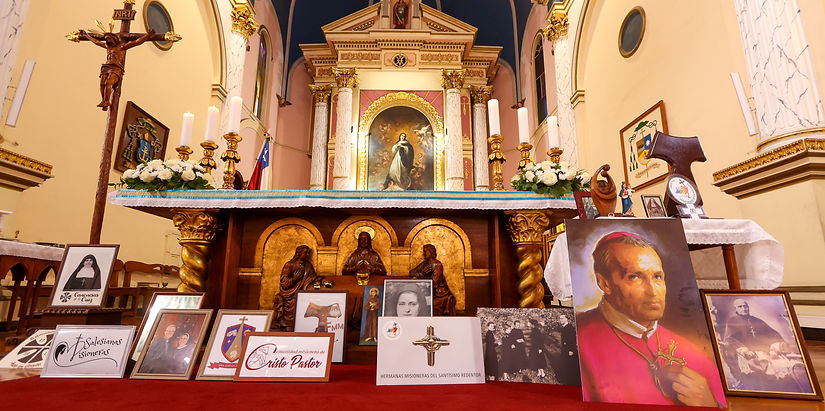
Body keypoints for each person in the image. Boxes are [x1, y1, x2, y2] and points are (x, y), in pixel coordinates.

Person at [576, 232, 726, 407]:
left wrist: (709, 404)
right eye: (635, 276)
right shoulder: (579, 339)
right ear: (604, 284)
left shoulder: (690, 348)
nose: (652, 291)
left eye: (657, 277)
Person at [273, 245, 320, 330]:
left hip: (303, 294)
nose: (307, 255)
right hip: (290, 296)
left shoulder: (308, 266)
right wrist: (294, 278)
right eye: (305, 253)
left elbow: (312, 278)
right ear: (298, 253)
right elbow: (284, 284)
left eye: (308, 253)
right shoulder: (289, 265)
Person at [410, 244, 455, 315]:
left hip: (439, 294)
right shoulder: (425, 264)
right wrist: (422, 273)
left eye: (425, 251)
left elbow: (434, 283)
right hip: (428, 292)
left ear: (431, 252)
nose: (424, 254)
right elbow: (412, 272)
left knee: (431, 306)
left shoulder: (437, 265)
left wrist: (421, 277)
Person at [554, 312, 580, 385]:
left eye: (562, 318)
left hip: (569, 350)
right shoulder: (565, 327)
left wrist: (571, 350)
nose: (560, 320)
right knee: (566, 364)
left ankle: (570, 381)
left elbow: (572, 340)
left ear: (566, 319)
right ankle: (567, 379)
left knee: (569, 365)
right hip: (566, 349)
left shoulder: (569, 328)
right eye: (560, 318)